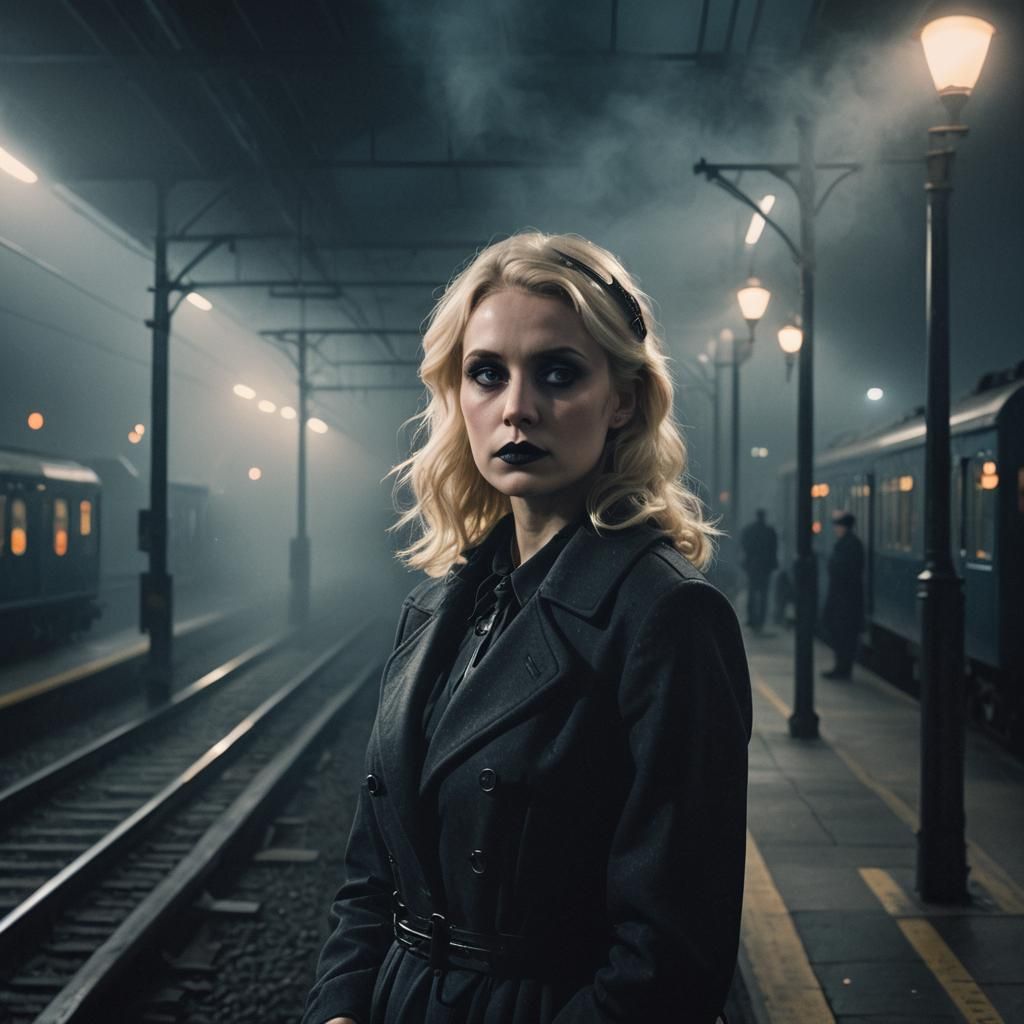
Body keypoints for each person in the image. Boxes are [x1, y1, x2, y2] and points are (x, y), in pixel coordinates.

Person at [301, 232, 753, 1024]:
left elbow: (670, 962)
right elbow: (376, 874)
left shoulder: (666, 618)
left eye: (558, 372)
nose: (517, 407)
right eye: (487, 374)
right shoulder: (438, 608)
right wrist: (339, 1006)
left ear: (624, 400)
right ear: (458, 397)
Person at [820, 510, 865, 680]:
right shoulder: (851, 544)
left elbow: (843, 571)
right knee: (842, 633)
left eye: (838, 526)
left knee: (843, 634)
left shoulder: (849, 545)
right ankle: (841, 666)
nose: (836, 529)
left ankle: (842, 668)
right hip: (845, 597)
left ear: (845, 527)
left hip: (845, 598)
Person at [739, 508, 778, 632]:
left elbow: (744, 545)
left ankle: (752, 619)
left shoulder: (750, 530)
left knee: (752, 592)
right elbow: (773, 549)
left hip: (753, 566)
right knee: (763, 594)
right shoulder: (770, 531)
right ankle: (760, 619)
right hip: (765, 567)